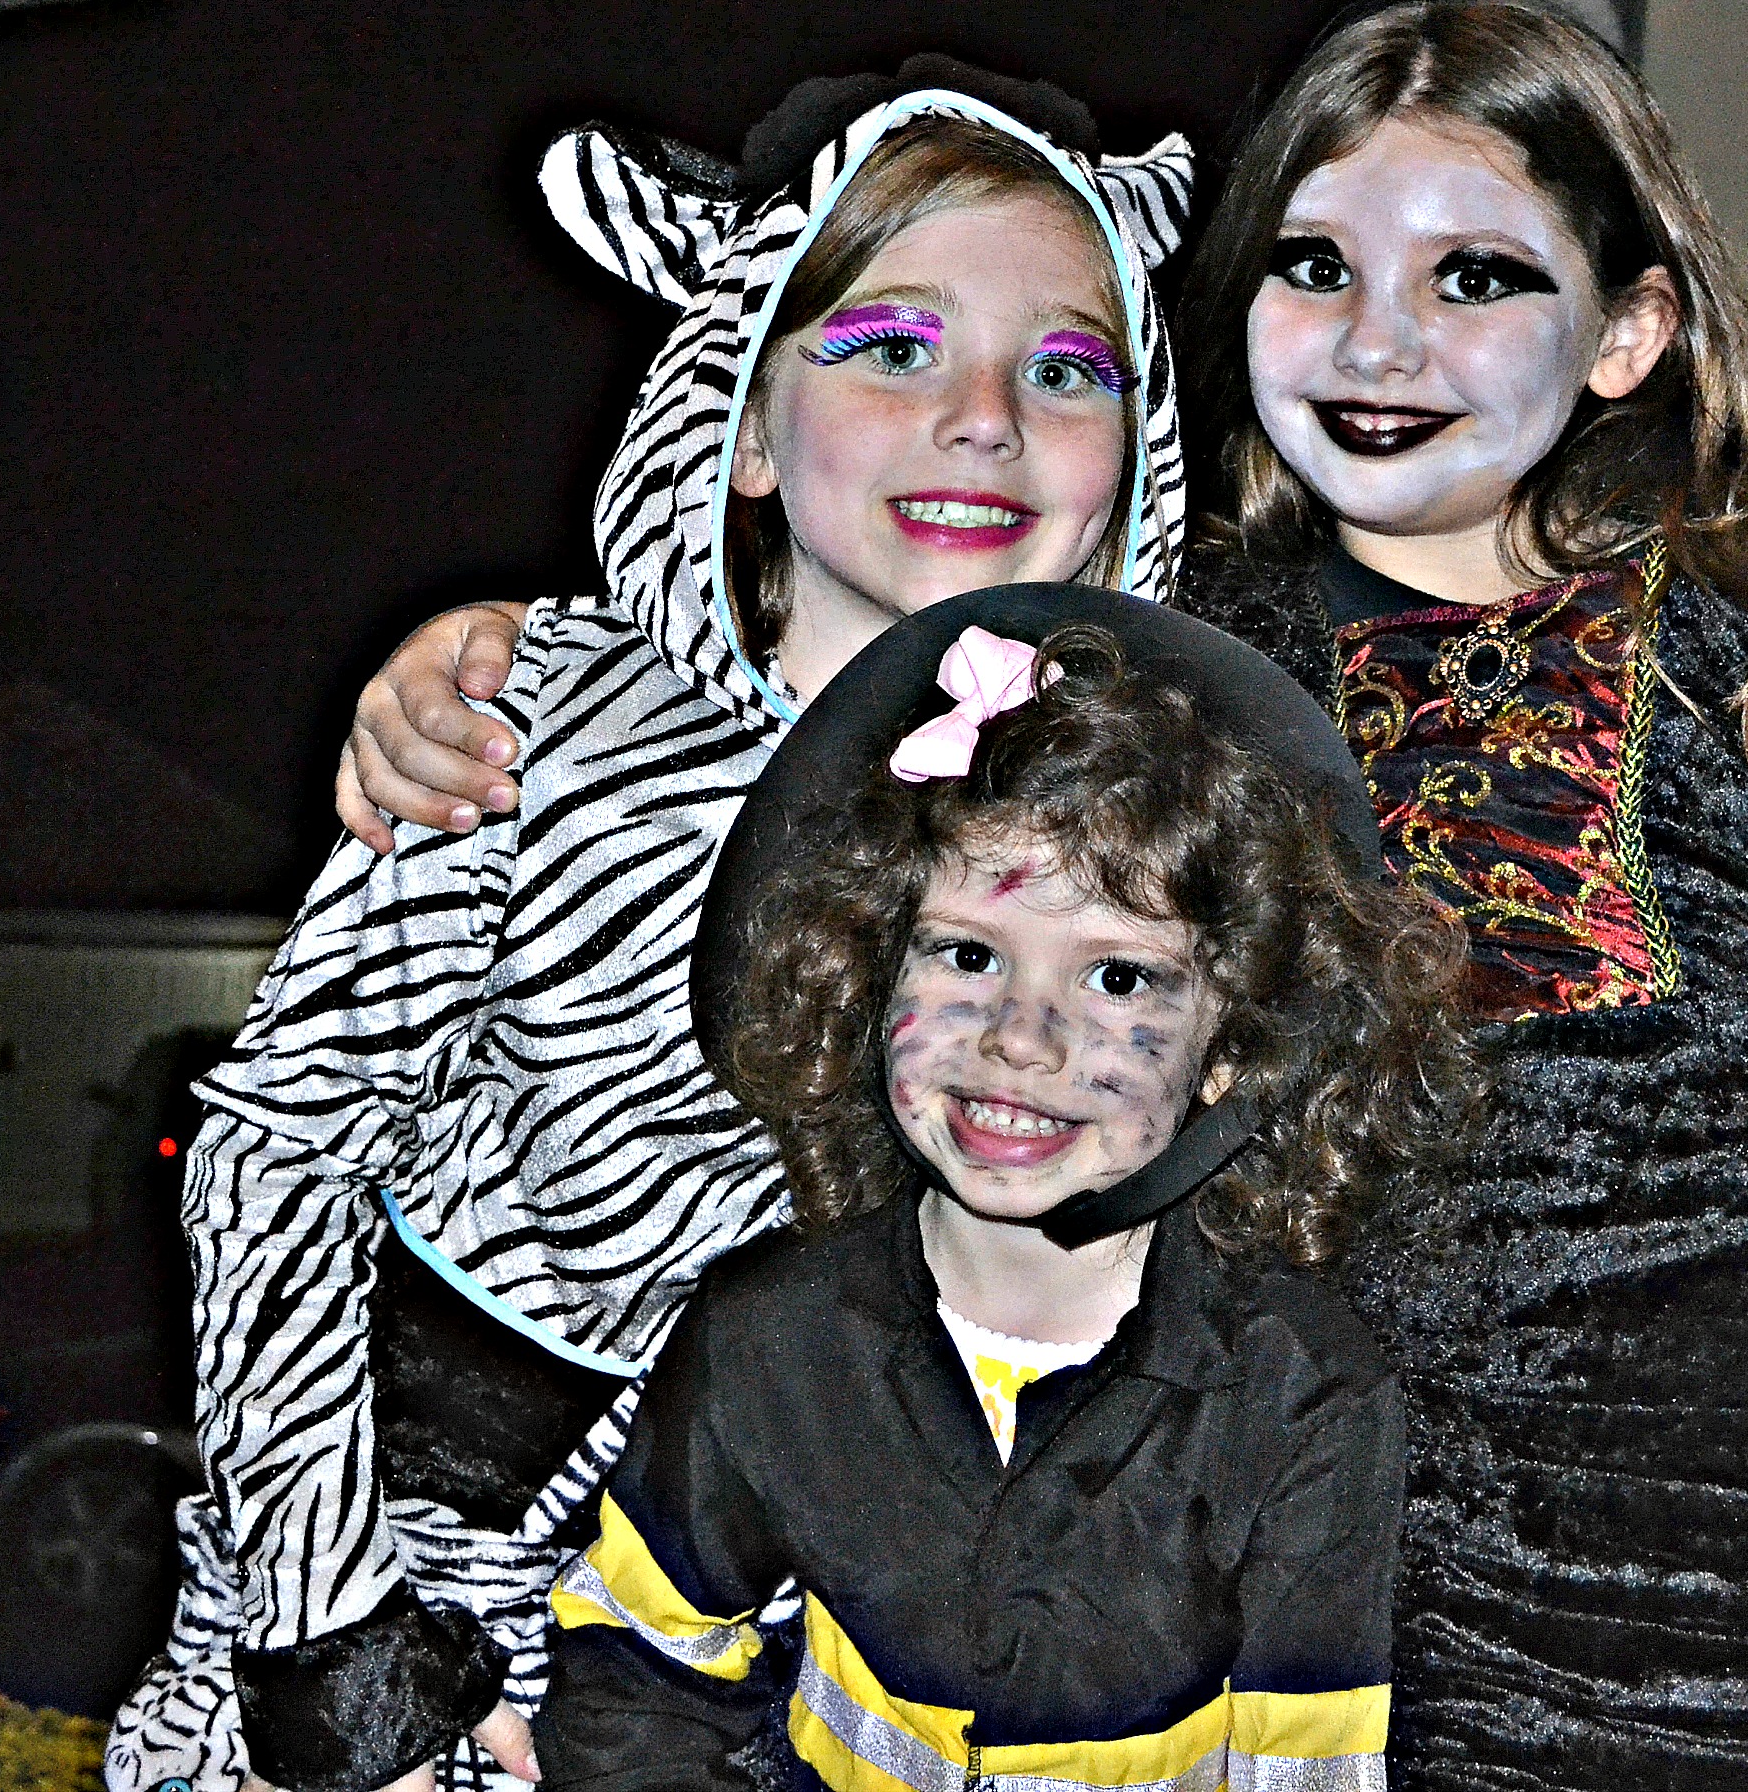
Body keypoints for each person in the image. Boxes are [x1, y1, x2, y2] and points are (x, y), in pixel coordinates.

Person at [342, 0, 1748, 1792]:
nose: (1377, 343)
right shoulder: (1156, 674)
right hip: (1334, 1615)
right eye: (1314, 267)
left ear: (1626, 332)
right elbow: (837, 758)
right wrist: (492, 658)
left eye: (1474, 278)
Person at [107, 66, 1196, 1792]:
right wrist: (340, 1640)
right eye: (891, 346)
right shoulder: (526, 726)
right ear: (742, 420)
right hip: (463, 1644)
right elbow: (274, 1157)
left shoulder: (1154, 830)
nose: (984, 416)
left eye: (1067, 369)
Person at [535, 594, 1475, 1791]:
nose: (1021, 1038)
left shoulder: (1305, 1395)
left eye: (1119, 978)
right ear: (870, 972)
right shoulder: (766, 1337)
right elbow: (637, 1679)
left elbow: (1309, 1774)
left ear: (1232, 1049)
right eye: (968, 954)